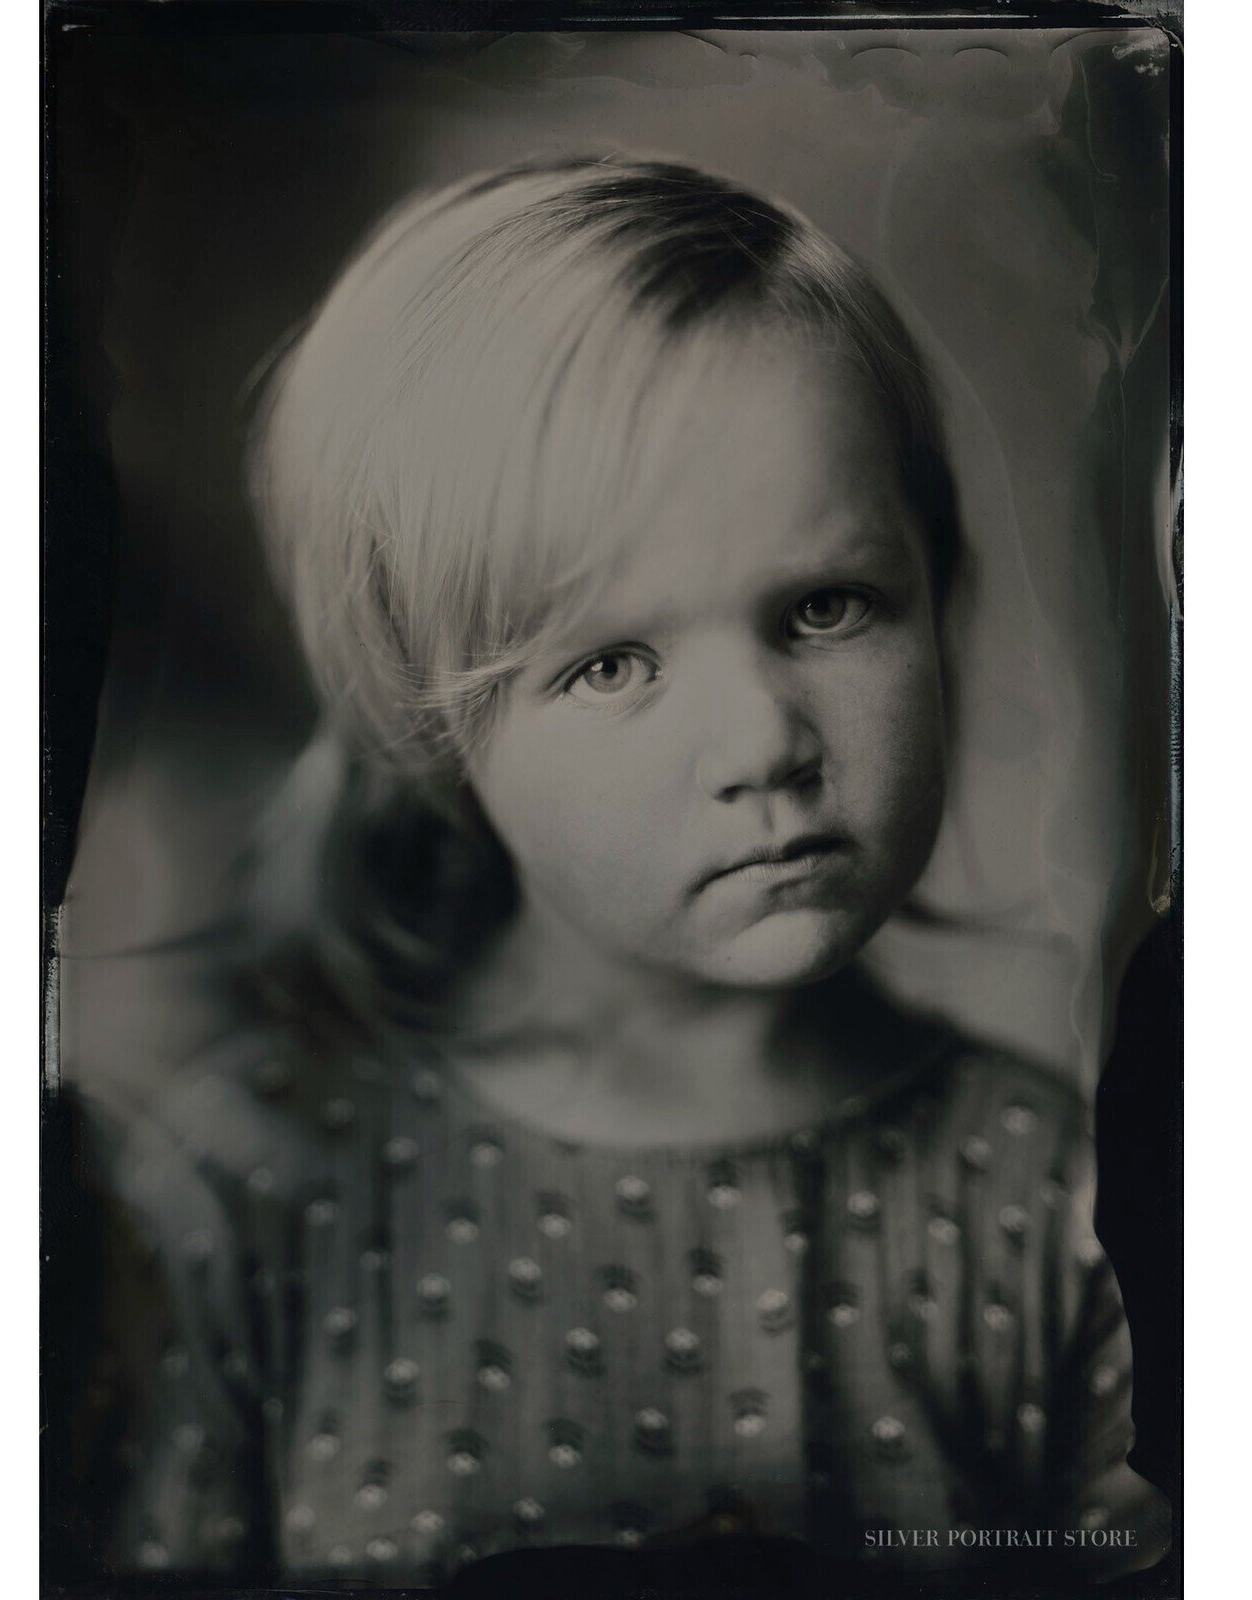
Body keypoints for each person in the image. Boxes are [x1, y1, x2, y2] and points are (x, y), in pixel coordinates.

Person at [70, 156, 1170, 1592]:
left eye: (827, 607)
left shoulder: (1069, 1211)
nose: (763, 742)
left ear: (942, 592)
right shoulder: (244, 1205)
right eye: (611, 664)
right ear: (435, 729)